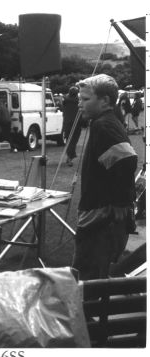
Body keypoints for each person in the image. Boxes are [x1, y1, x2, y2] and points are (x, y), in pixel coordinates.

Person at [72, 74, 137, 280]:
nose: (79, 104)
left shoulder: (104, 124)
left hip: (101, 215)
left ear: (105, 101)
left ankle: (88, 311)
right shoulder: (102, 121)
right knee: (92, 271)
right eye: (79, 99)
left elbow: (127, 161)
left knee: (88, 273)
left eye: (85, 99)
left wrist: (120, 202)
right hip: (101, 212)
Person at [62, 86, 82, 167]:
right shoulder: (78, 101)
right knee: (73, 141)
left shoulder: (65, 101)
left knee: (68, 140)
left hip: (67, 124)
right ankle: (70, 157)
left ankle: (69, 157)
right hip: (76, 124)